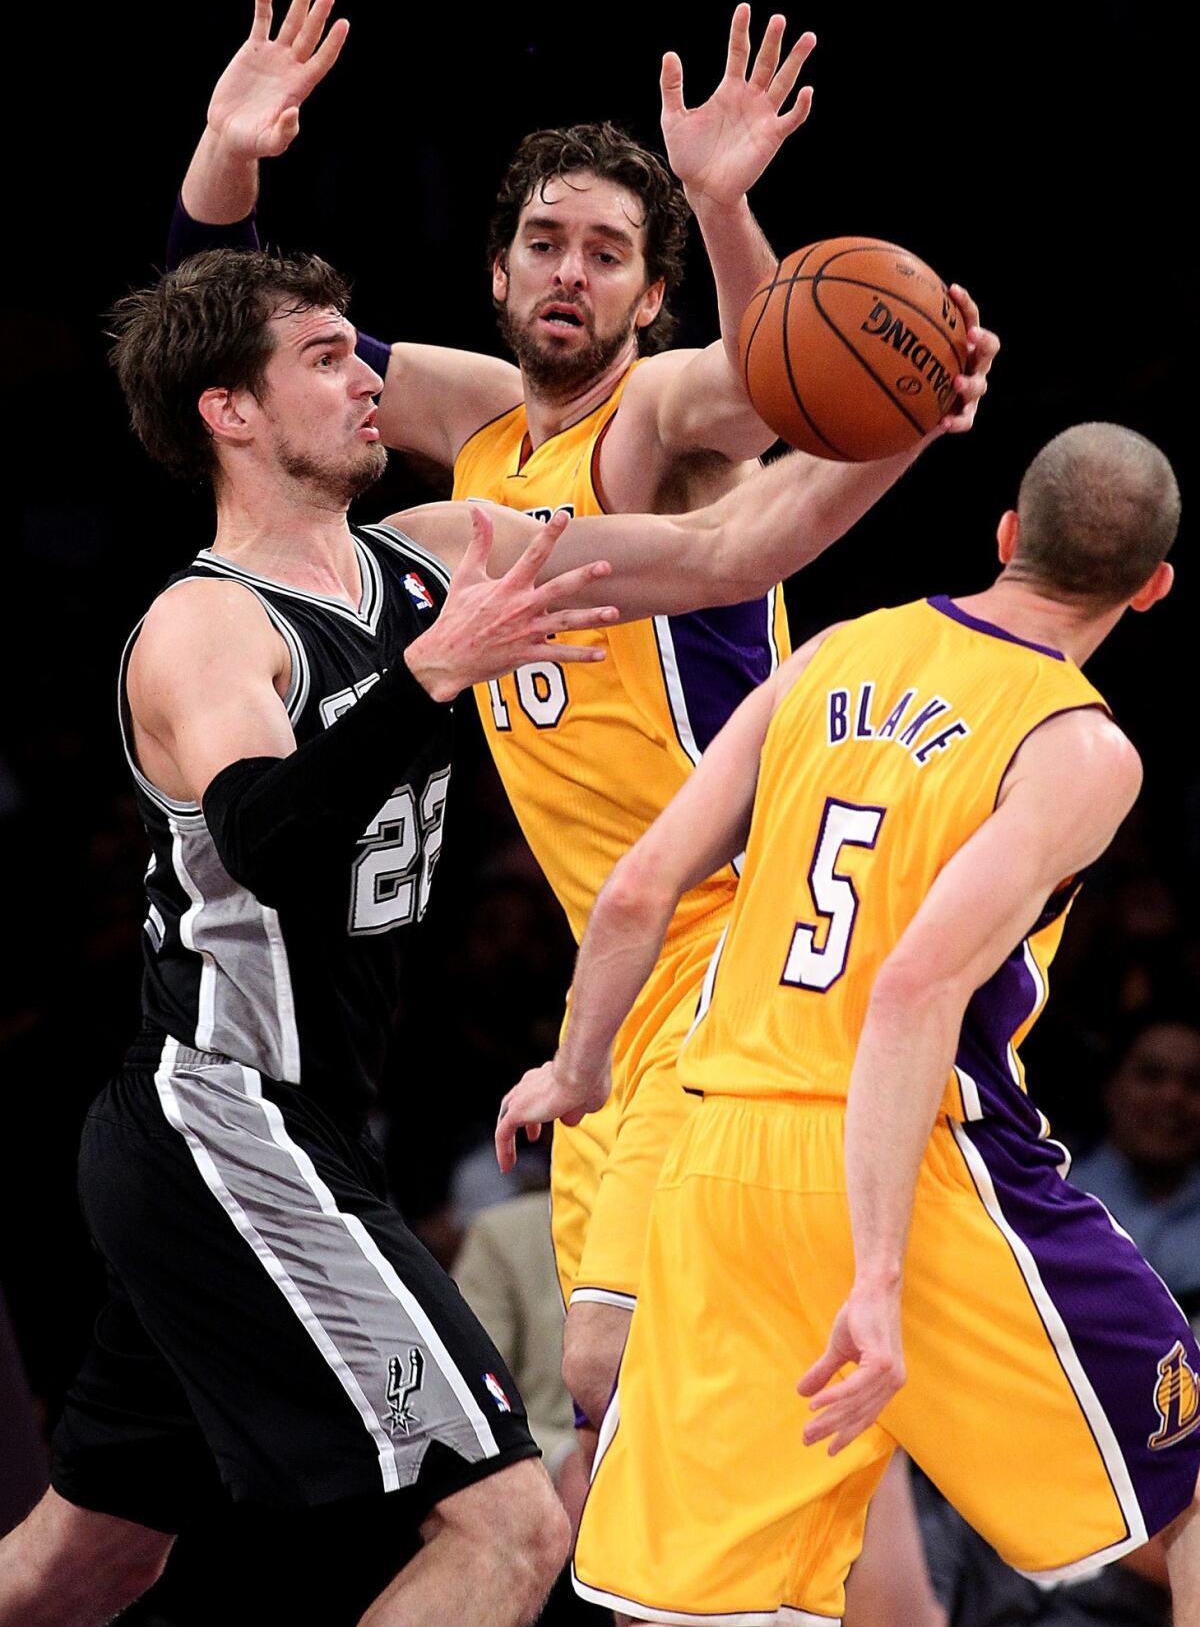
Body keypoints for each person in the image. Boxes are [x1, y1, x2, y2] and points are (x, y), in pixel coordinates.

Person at [0, 145, 980, 1621]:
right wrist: (425, 681)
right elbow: (267, 840)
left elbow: (731, 546)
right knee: (513, 1531)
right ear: (235, 417)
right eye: (331, 361)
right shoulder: (207, 631)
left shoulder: (439, 555)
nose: (372, 384)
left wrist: (910, 420)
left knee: (98, 1553)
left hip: (304, 1121)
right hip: (227, 1120)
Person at [175, 0, 996, 1465]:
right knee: (645, 1401)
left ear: (650, 295)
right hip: (619, 957)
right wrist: (228, 160)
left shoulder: (660, 419)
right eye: (545, 244)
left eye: (610, 255)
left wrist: (730, 208)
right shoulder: (471, 416)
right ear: (496, 271)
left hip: (740, 924)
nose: (572, 273)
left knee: (621, 1365)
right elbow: (235, 350)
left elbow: (775, 397)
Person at [496, 423, 1200, 1624]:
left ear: (1008, 536)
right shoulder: (1081, 745)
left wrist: (576, 1069)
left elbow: (636, 889)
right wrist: (875, 1273)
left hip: (718, 1161)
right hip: (910, 1170)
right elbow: (913, 988)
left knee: (696, 1609)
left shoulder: (835, 650)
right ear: (1153, 588)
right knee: (1189, 1479)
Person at [1069, 1016, 1200, 1317]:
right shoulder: (1051, 1197)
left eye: (1194, 1082)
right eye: (1151, 1076)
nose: (1172, 1097)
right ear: (1110, 1088)